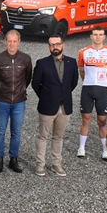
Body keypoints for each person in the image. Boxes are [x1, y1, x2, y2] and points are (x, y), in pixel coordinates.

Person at [31, 35, 78, 176]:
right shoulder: (42, 63)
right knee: (42, 136)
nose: (55, 47)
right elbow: (35, 84)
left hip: (65, 106)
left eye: (58, 44)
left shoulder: (72, 62)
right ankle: (40, 164)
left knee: (58, 137)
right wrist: (46, 96)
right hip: (47, 106)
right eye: (52, 45)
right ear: (48, 47)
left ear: (63, 45)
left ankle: (56, 163)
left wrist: (62, 95)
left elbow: (73, 82)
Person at [0, 29, 33, 173]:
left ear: (19, 42)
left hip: (19, 101)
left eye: (15, 41)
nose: (12, 44)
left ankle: (14, 159)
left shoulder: (26, 59)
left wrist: (20, 91)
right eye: (9, 41)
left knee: (16, 132)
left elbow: (28, 78)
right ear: (5, 42)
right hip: (2, 100)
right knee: (0, 131)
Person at [76, 27, 107, 161]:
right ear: (91, 36)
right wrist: (89, 81)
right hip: (87, 88)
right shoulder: (83, 52)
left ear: (104, 37)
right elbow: (82, 72)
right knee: (85, 119)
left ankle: (105, 149)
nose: (98, 37)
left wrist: (102, 83)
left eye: (100, 34)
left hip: (102, 89)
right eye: (95, 34)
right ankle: (81, 148)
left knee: (102, 121)